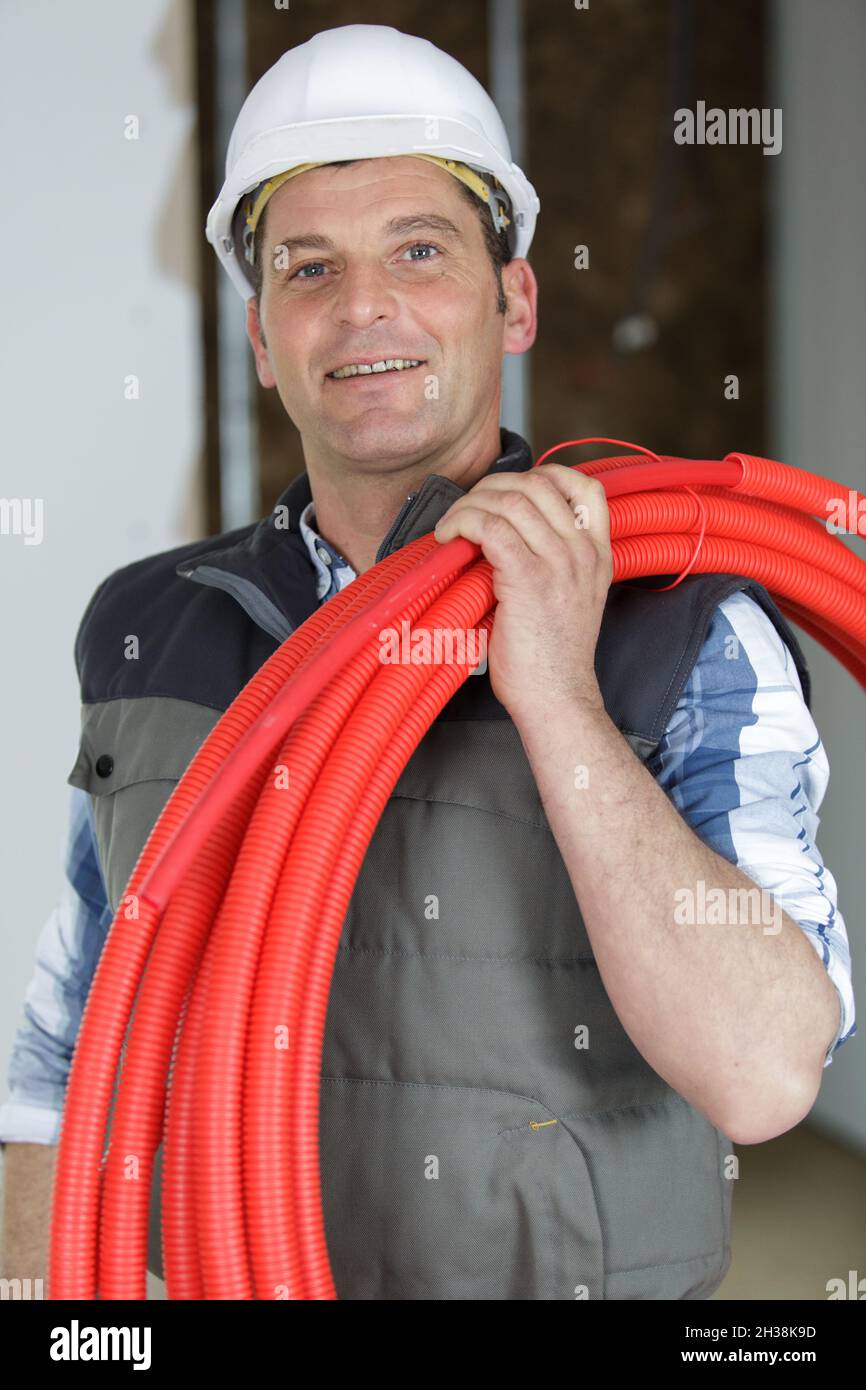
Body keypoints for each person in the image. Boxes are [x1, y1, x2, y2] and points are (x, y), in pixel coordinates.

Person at [0, 23, 855, 1301]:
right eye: (307, 268)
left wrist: (557, 694)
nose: (362, 309)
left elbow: (762, 1069)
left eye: (418, 250)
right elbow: (67, 1057)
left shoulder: (682, 621)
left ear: (512, 301)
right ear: (259, 336)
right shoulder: (152, 625)